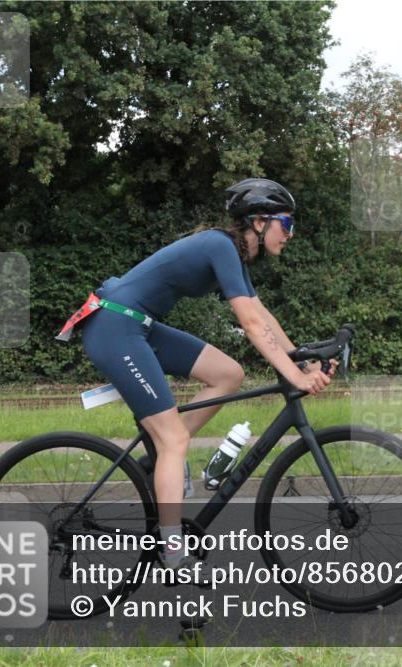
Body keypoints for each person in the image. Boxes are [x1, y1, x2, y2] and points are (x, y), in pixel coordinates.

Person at [78, 178, 334, 568]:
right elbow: (250, 324)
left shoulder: (233, 253)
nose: (291, 233)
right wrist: (295, 377)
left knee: (228, 374)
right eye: (286, 223)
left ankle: (163, 456)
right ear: (259, 221)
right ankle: (172, 550)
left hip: (136, 324)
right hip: (116, 326)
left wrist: (301, 361)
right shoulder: (220, 246)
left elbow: (261, 314)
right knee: (174, 438)